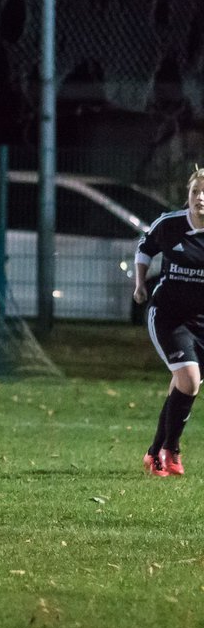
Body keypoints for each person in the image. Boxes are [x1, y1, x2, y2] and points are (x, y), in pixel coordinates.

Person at [133, 167, 204, 477]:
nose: (200, 198)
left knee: (182, 386)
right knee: (190, 381)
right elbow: (144, 249)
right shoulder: (170, 224)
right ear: (187, 195)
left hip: (201, 322)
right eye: (195, 192)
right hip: (167, 316)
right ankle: (171, 451)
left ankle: (154, 455)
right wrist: (139, 284)